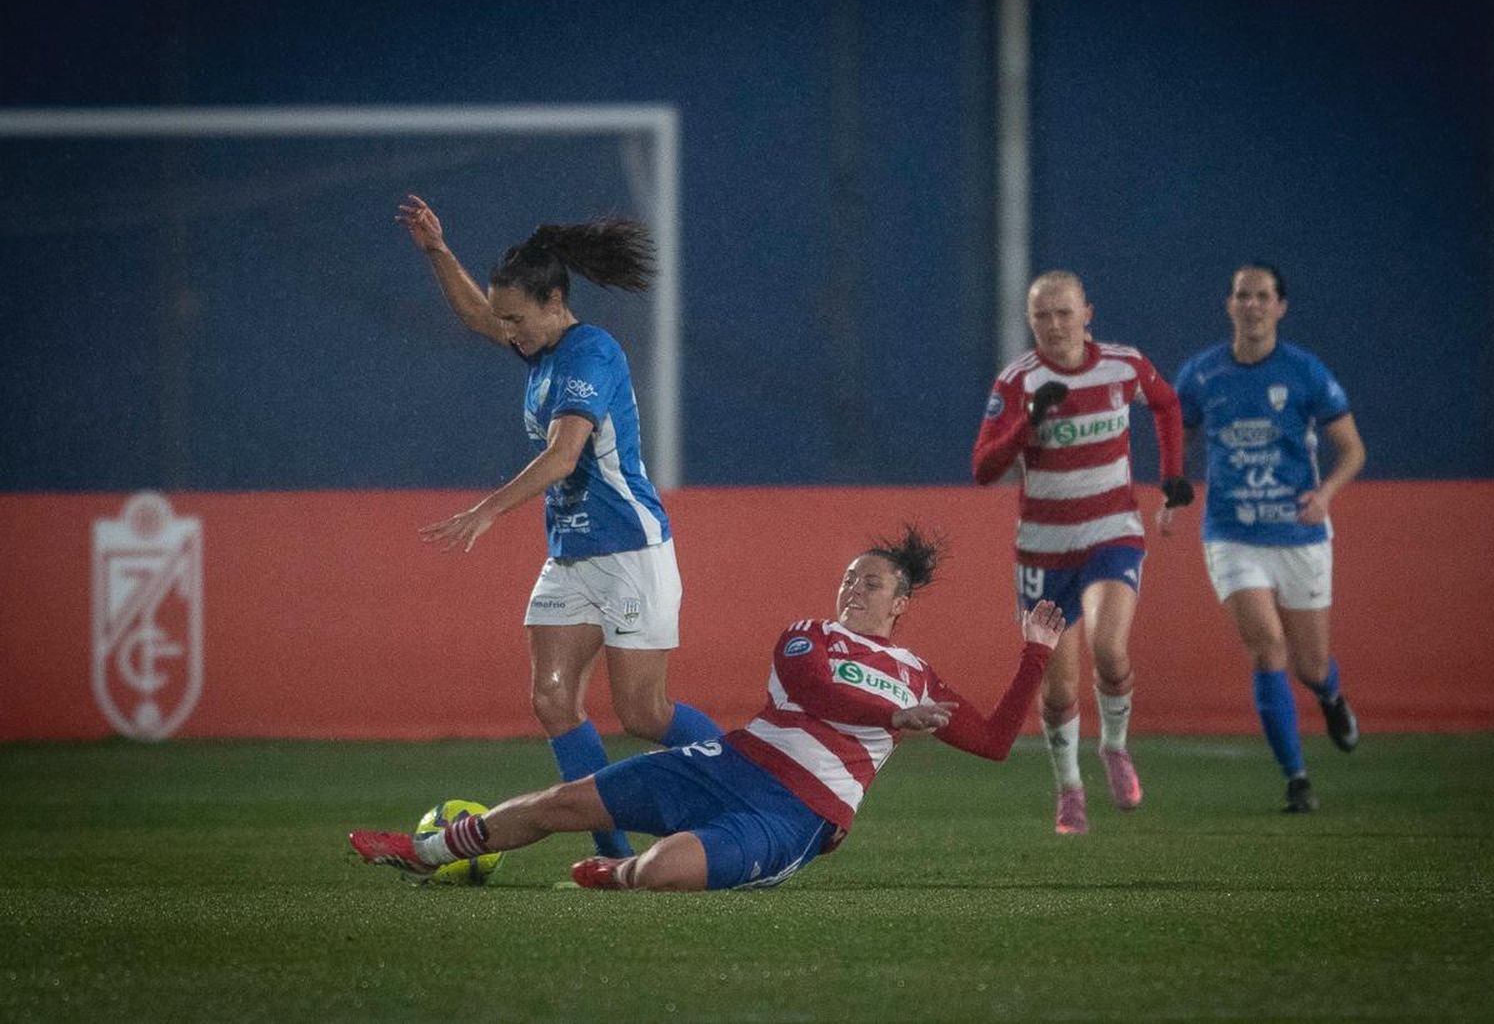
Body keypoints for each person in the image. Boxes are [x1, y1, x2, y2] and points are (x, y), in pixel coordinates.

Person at [349, 525, 1067, 891]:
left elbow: (997, 742)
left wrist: (1034, 654)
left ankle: (619, 875)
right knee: (561, 803)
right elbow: (817, 692)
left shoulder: (918, 676)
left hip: (791, 817)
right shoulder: (806, 635)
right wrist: (891, 720)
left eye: (872, 583)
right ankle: (423, 850)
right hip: (724, 765)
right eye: (849, 577)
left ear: (900, 604)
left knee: (663, 874)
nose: (854, 588)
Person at [395, 194, 720, 859]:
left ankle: (757, 785)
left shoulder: (589, 354)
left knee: (644, 715)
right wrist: (436, 249)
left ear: (554, 304)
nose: (507, 331)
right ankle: (613, 852)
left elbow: (565, 454)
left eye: (517, 318)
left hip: (630, 549)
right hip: (571, 554)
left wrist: (487, 509)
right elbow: (475, 314)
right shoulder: (538, 349)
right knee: (552, 699)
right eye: (505, 319)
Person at [972, 271, 1191, 835]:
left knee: (1109, 648)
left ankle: (1114, 746)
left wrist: (1171, 478)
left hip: (1111, 531)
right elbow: (983, 469)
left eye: (1064, 313)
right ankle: (1069, 787)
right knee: (1060, 687)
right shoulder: (1018, 381)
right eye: (1042, 315)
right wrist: (1027, 424)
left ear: (1087, 313)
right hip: (1044, 551)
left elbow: (1167, 406)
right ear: (1030, 320)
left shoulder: (1122, 365)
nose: (1054, 326)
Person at [1166, 263, 1365, 814]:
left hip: (1299, 534)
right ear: (1228, 305)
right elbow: (1175, 441)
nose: (1251, 305)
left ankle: (1330, 695)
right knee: (1267, 646)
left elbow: (1352, 450)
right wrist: (1172, 494)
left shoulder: (1304, 372)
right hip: (1232, 533)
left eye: (1262, 296)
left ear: (1280, 307)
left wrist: (1325, 494)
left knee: (1310, 663)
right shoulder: (1202, 375)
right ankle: (1296, 778)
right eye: (1241, 296)